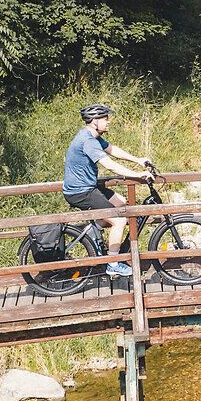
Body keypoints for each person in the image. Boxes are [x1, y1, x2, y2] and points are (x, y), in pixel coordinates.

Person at [63, 103, 153, 278]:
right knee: (119, 221)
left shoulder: (92, 136)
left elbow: (112, 149)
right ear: (95, 121)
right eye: (105, 118)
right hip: (79, 192)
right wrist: (137, 175)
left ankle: (90, 232)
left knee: (119, 202)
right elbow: (110, 165)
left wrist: (138, 160)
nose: (108, 122)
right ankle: (113, 264)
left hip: (88, 187)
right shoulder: (87, 141)